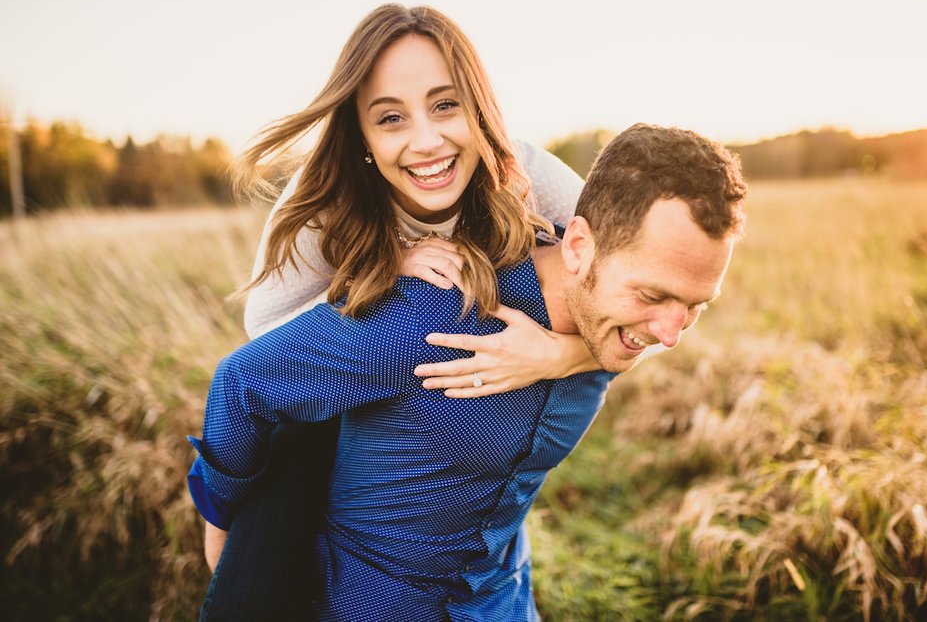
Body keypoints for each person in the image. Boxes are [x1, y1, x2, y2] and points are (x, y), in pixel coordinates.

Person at [188, 122, 747, 619]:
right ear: (578, 247)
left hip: (502, 599)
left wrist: (562, 354)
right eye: (654, 295)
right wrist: (226, 542)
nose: (670, 334)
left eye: (697, 306)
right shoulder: (433, 316)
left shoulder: (614, 327)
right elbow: (245, 382)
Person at [195, 3, 603, 620]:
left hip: (463, 456)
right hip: (325, 423)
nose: (426, 141)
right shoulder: (319, 206)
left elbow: (644, 293)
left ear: (479, 105)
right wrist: (374, 278)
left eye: (445, 105)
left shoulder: (529, 174)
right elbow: (267, 348)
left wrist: (560, 354)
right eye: (391, 118)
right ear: (361, 134)